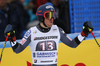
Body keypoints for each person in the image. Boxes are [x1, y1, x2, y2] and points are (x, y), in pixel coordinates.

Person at [4, 4, 93, 66]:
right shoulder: (32, 32)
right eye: (48, 15)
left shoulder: (57, 29)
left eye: (53, 15)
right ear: (41, 17)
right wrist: (12, 38)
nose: (51, 18)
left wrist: (84, 33)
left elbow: (72, 44)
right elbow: (18, 49)